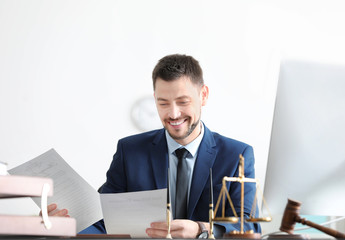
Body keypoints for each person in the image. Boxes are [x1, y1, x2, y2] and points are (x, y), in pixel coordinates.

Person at [45, 54, 261, 238]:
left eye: (183, 102)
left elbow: (250, 227)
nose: (173, 114)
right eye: (163, 103)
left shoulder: (237, 155)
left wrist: (200, 229)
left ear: (203, 95)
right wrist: (66, 228)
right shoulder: (129, 152)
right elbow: (104, 222)